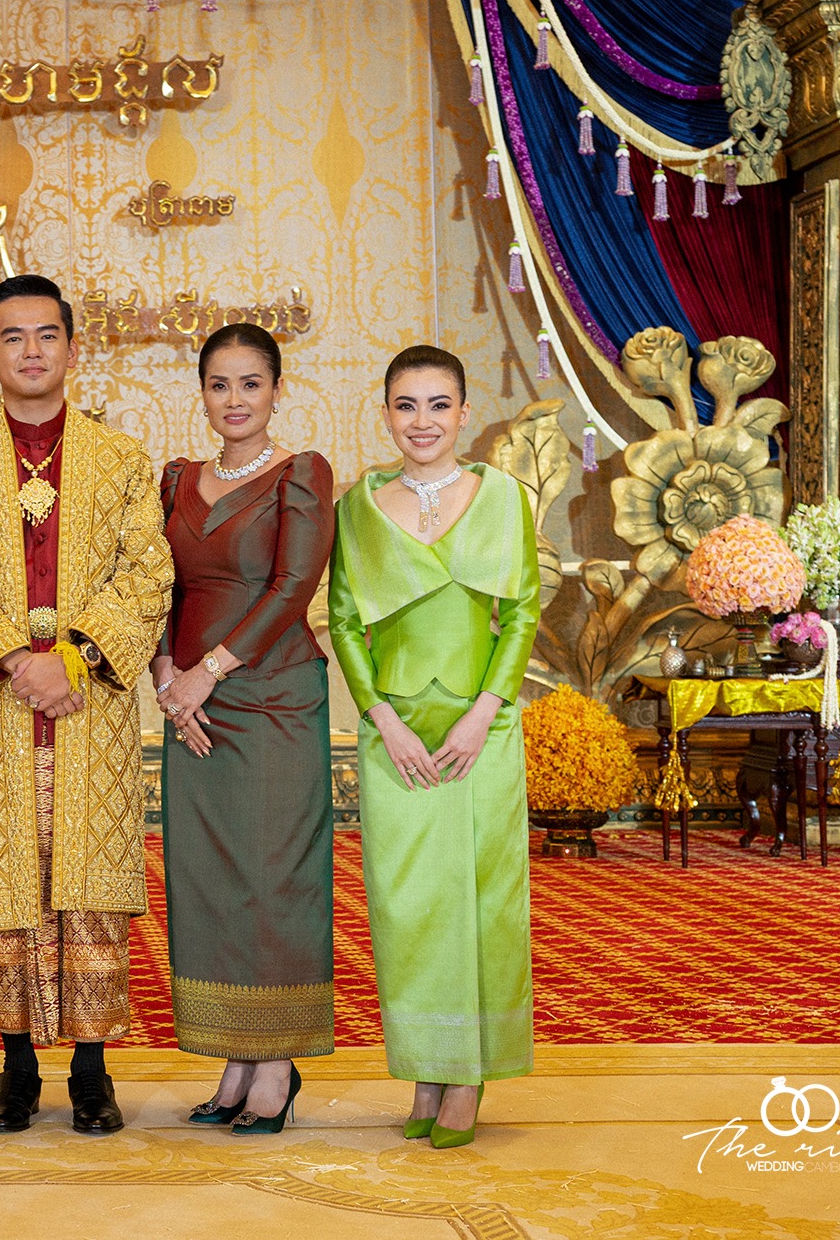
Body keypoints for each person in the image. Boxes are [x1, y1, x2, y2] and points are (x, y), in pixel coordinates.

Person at [0, 274, 174, 1135]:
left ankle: (92, 1068)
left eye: (46, 334)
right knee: (5, 883)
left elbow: (148, 573)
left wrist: (73, 657)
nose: (31, 350)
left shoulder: (121, 458)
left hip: (89, 706)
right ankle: (17, 1066)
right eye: (13, 337)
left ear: (72, 347)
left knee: (89, 884)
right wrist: (16, 661)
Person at [326, 345, 540, 1150]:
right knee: (408, 903)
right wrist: (380, 717)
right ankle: (427, 1064)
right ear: (385, 412)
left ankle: (469, 1072)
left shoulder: (502, 498)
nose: (422, 421)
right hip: (396, 734)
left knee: (481, 897)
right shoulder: (359, 508)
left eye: (438, 404)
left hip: (480, 730)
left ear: (463, 412)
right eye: (406, 405)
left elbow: (522, 611)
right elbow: (344, 619)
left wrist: (484, 711)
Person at [153, 323, 336, 1135]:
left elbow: (294, 585)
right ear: (202, 393)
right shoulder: (175, 479)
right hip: (190, 704)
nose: (235, 399)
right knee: (209, 877)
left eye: (250, 383)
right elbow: (157, 586)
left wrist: (209, 670)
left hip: (271, 698)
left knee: (272, 876)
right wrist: (168, 677)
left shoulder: (301, 473)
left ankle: (276, 1064)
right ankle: (235, 1055)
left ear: (277, 390)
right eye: (220, 384)